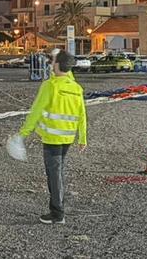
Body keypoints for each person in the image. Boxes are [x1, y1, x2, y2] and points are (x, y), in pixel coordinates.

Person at [17, 48, 88, 224]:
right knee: (58, 171)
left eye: (53, 61)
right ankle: (57, 208)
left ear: (57, 65)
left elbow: (36, 111)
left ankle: (57, 213)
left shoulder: (50, 86)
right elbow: (82, 114)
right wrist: (82, 138)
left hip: (52, 139)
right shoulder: (76, 88)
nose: (51, 63)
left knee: (54, 174)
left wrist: (23, 133)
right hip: (68, 138)